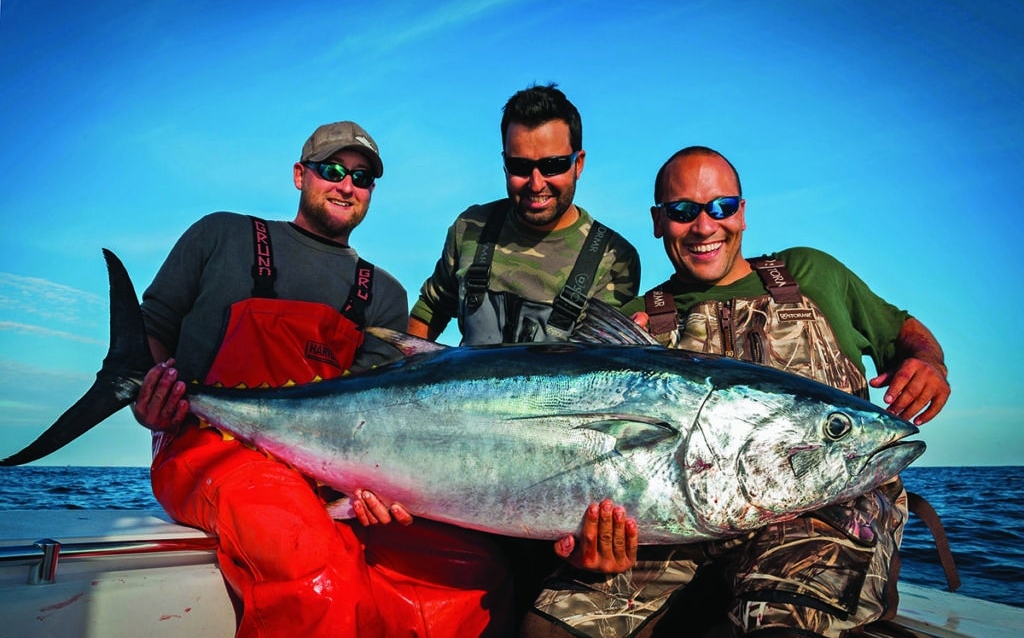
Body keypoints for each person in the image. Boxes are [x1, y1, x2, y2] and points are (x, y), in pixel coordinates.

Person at [521, 145, 951, 638]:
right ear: (658, 221)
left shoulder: (812, 274)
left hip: (816, 521)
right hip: (669, 533)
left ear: (742, 213)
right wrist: (588, 536)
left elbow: (903, 332)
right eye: (683, 211)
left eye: (720, 206)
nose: (705, 226)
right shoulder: (638, 321)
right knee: (547, 628)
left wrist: (927, 361)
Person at [132, 121, 513, 637]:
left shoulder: (382, 293)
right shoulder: (222, 235)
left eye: (362, 178)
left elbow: (375, 420)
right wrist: (145, 395)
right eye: (332, 170)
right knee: (316, 574)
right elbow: (152, 329)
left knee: (473, 576)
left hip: (326, 477)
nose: (346, 185)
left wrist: (380, 486)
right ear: (299, 175)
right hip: (210, 451)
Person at [408, 83, 641, 345]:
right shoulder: (470, 228)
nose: (536, 183)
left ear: (579, 163)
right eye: (520, 166)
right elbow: (431, 309)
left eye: (553, 165)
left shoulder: (615, 259)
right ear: (504, 163)